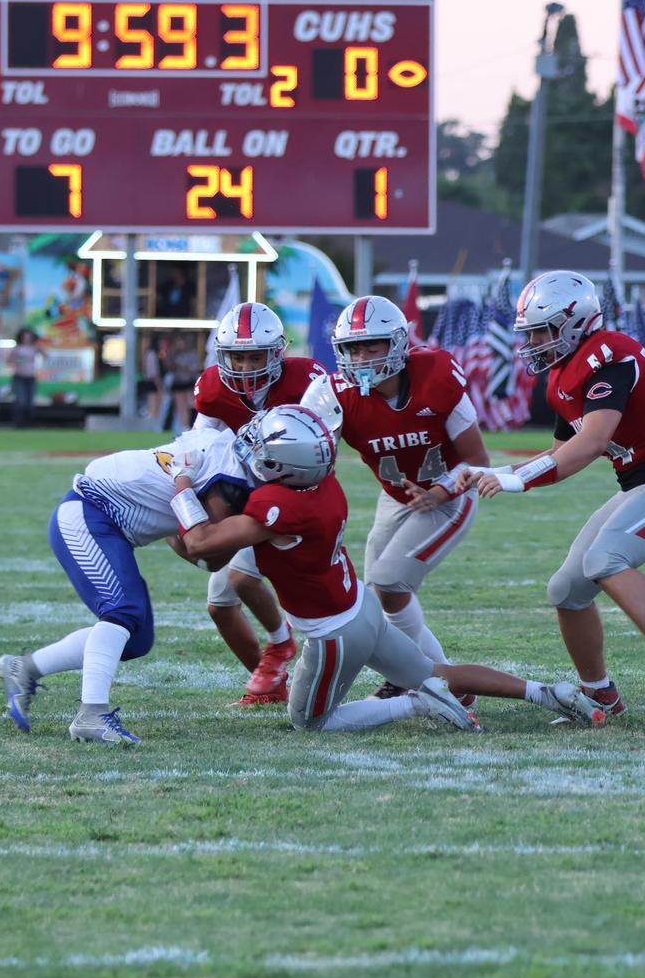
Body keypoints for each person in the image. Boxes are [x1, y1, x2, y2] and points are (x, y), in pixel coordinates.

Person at [174, 406, 608, 732]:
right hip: (361, 608)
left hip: (333, 633)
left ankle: (417, 704)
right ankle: (546, 693)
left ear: (283, 467)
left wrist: (181, 483)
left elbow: (201, 544)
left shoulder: (275, 505)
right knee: (437, 674)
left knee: (311, 722)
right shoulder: (323, 485)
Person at [454, 269, 645, 715]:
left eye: (541, 330)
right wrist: (496, 471)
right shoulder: (564, 374)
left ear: (573, 322)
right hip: (642, 483)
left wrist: (518, 480)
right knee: (566, 589)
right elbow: (559, 455)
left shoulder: (608, 355)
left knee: (604, 559)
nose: (533, 341)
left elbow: (592, 442)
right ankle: (599, 692)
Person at [315, 294, 492, 696]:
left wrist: (441, 492)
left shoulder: (436, 375)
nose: (361, 358)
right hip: (396, 496)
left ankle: (441, 682)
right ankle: (429, 679)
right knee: (375, 598)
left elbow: (477, 461)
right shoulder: (335, 393)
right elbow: (313, 456)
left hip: (451, 493)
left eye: (371, 347)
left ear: (397, 343)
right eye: (353, 349)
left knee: (390, 582)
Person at [0, 429, 216, 745]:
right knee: (122, 611)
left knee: (135, 640)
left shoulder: (214, 452)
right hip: (87, 514)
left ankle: (25, 668)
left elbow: (194, 544)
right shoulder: (222, 462)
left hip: (109, 527)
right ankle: (91, 715)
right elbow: (202, 547)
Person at [182, 301, 329, 705]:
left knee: (243, 580)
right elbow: (199, 444)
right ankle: (273, 684)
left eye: (256, 357)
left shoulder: (307, 380)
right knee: (219, 605)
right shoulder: (214, 387)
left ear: (277, 353)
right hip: (249, 495)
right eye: (238, 357)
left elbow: (325, 446)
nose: (246, 367)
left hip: (295, 494)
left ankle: (282, 645)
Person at [8, 328, 40, 428]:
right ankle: (18, 424)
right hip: (19, 378)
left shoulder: (34, 348)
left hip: (31, 378)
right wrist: (19, 361)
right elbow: (9, 360)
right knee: (21, 401)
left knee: (30, 403)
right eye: (25, 337)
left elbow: (45, 355)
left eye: (29, 337)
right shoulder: (18, 349)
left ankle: (28, 424)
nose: (27, 339)